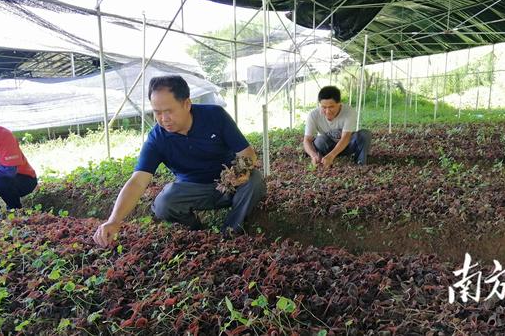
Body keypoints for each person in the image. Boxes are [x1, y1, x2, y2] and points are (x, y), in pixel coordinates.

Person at [93, 75, 265, 246]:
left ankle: (230, 233)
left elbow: (246, 152)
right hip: (192, 190)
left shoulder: (215, 116)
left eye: (169, 111)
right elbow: (138, 181)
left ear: (187, 104)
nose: (163, 118)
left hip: (229, 184)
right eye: (157, 112)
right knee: (163, 203)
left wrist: (240, 173)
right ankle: (199, 233)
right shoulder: (157, 138)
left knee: (254, 180)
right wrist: (114, 220)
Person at [303, 86, 371, 168]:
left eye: (331, 107)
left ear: (339, 104)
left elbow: (346, 137)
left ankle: (360, 164)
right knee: (319, 140)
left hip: (346, 146)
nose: (327, 111)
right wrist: (313, 155)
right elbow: (307, 140)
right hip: (326, 146)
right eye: (324, 107)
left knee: (365, 134)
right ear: (319, 104)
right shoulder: (313, 115)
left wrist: (332, 156)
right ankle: (321, 159)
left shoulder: (349, 112)